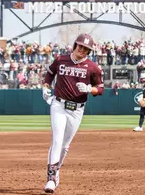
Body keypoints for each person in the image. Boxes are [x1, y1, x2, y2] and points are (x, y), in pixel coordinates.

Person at [41, 33, 104, 193]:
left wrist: (91, 89)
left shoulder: (93, 67)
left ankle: (56, 172)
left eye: (86, 48)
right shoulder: (61, 59)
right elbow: (49, 73)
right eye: (80, 46)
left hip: (77, 109)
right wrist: (46, 86)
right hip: (58, 105)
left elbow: (101, 89)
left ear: (89, 51)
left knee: (65, 146)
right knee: (57, 140)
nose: (82, 50)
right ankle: (51, 179)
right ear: (75, 45)